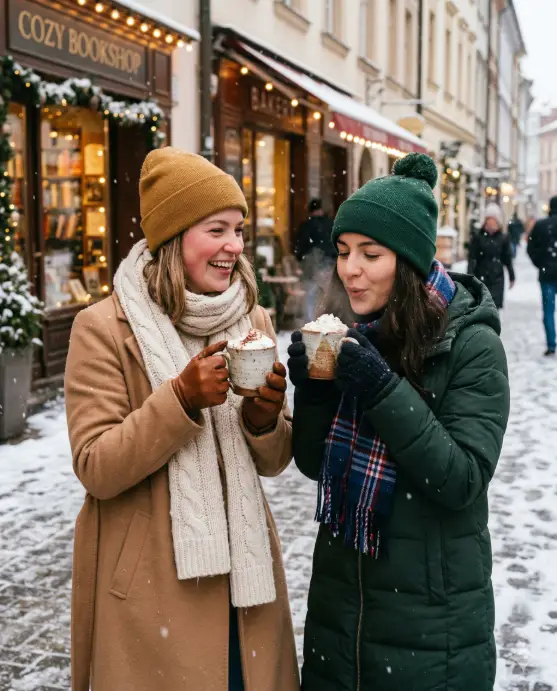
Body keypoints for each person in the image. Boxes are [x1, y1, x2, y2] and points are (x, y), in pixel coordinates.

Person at [65, 148, 300, 691]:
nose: (235, 247)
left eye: (239, 229)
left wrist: (265, 421)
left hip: (246, 588)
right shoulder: (103, 328)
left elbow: (274, 460)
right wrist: (180, 402)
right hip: (152, 591)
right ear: (174, 237)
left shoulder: (252, 315)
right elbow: (97, 466)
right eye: (216, 229)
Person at [287, 153, 510, 690]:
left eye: (371, 253)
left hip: (432, 625)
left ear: (407, 260)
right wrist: (315, 391)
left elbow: (460, 478)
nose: (350, 269)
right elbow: (315, 463)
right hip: (341, 614)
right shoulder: (350, 332)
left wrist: (383, 389)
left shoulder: (472, 344)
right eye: (343, 252)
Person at [294, 198, 337, 321]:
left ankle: (312, 322)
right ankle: (330, 321)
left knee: (311, 294)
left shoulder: (306, 226)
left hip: (311, 265)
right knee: (329, 293)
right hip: (331, 263)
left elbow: (300, 247)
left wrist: (300, 259)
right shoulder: (331, 224)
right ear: (321, 209)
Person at [467, 202, 515, 309]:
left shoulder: (503, 238)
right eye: (489, 219)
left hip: (497, 277)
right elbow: (472, 258)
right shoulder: (478, 237)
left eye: (494, 219)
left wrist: (512, 276)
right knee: (481, 306)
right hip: (481, 277)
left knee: (494, 308)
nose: (491, 222)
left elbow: (507, 258)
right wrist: (469, 276)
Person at [527, 196, 557, 356]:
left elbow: (531, 248)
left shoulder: (540, 225)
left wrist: (541, 263)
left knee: (548, 311)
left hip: (547, 275)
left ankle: (551, 344)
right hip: (548, 272)